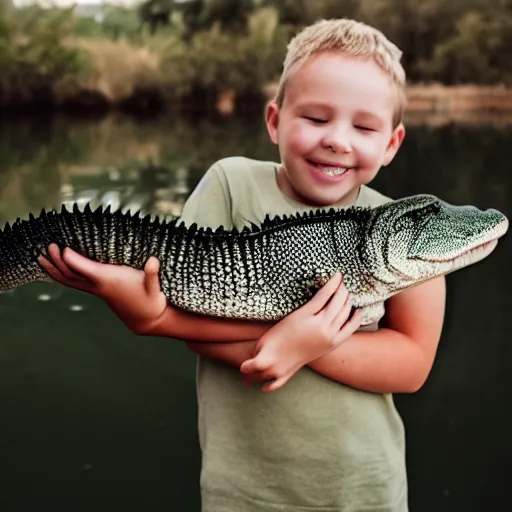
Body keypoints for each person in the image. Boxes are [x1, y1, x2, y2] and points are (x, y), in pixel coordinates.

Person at [38, 18, 446, 512]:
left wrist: (306, 346)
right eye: (316, 119)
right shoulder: (232, 185)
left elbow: (412, 364)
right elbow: (191, 318)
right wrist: (161, 317)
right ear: (275, 120)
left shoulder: (410, 231)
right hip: (244, 493)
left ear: (391, 143)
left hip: (363, 491)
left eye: (363, 127)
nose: (338, 140)